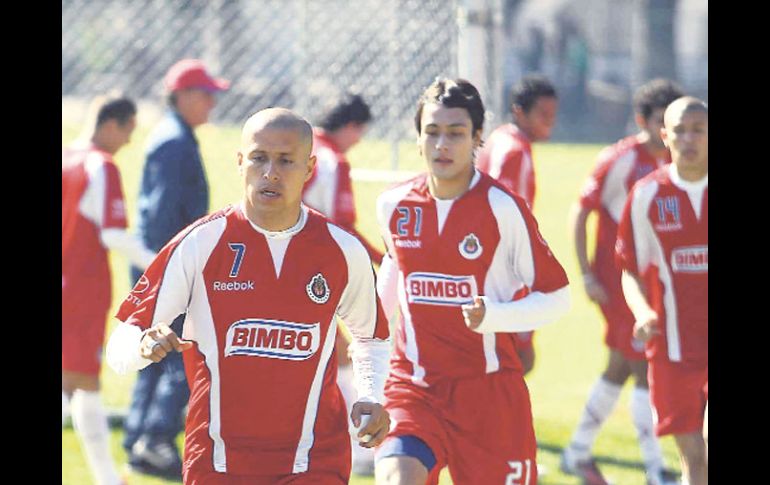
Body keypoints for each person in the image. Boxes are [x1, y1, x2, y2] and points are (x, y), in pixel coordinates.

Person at [106, 107, 392, 485]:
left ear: (309, 168)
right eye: (259, 158)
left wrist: (371, 396)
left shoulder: (341, 249)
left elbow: (372, 337)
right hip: (218, 462)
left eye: (286, 161)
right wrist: (142, 347)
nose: (270, 173)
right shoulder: (200, 244)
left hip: (315, 460)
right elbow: (119, 347)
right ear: (240, 162)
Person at [373, 78, 570, 485]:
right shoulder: (393, 205)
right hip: (414, 386)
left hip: (490, 397)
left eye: (456, 133)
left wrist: (493, 316)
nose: (442, 144)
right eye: (432, 132)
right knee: (396, 478)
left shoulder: (502, 207)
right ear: (418, 137)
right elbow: (394, 273)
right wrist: (368, 359)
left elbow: (557, 297)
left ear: (478, 137)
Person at [561, 78, 684, 485]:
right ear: (641, 120)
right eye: (659, 122)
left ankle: (577, 451)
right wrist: (587, 274)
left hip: (657, 282)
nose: (666, 133)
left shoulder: (676, 162)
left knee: (619, 366)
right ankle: (655, 468)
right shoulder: (620, 159)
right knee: (642, 364)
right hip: (620, 282)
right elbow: (580, 213)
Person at [123, 58, 230, 479]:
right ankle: (156, 439)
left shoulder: (173, 136)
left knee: (151, 350)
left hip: (156, 262)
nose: (211, 105)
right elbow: (166, 212)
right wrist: (177, 268)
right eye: (206, 95)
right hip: (167, 264)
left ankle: (137, 439)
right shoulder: (176, 143)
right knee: (182, 350)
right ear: (182, 96)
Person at [62, 93, 155, 485]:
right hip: (80, 290)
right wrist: (160, 263)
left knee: (78, 382)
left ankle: (107, 478)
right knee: (82, 381)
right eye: (129, 131)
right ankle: (107, 479)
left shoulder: (66, 157)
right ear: (112, 124)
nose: (129, 142)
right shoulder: (102, 166)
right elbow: (114, 233)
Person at [616, 97, 708, 485]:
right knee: (695, 461)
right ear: (664, 136)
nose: (689, 139)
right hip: (673, 349)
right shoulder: (647, 196)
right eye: (680, 131)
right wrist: (642, 312)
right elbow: (629, 270)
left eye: (698, 130)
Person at [302, 92, 384, 476]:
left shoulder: (300, 148)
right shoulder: (334, 162)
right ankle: (363, 448)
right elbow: (342, 225)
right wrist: (381, 259)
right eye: (361, 133)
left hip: (278, 265)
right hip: (314, 273)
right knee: (341, 352)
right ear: (352, 127)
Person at [476, 74, 559, 375]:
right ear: (520, 112)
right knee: (518, 357)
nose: (550, 122)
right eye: (543, 115)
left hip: (490, 260)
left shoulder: (500, 137)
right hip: (505, 266)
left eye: (552, 115)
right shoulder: (514, 151)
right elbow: (498, 210)